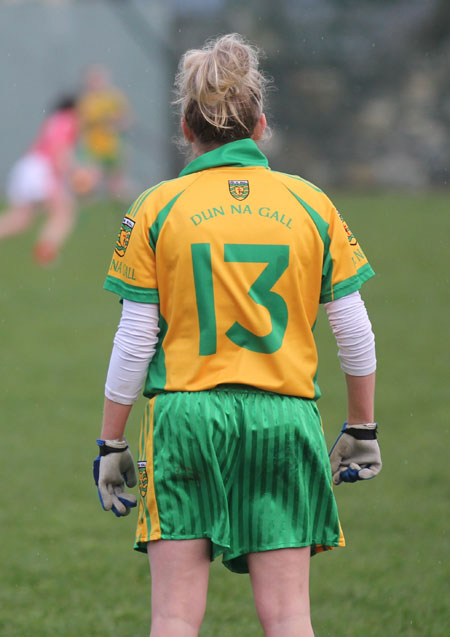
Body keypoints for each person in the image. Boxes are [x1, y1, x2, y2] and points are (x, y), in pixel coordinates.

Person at [93, 34, 382, 637]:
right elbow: (353, 327)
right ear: (261, 123)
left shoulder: (155, 207)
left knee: (174, 616)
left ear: (184, 126)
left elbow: (134, 338)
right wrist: (361, 427)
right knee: (288, 617)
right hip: (284, 420)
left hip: (187, 421)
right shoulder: (311, 204)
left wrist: (111, 443)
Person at [0, 95, 79, 265]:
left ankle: (45, 250)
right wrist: (67, 177)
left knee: (21, 219)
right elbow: (58, 151)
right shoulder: (68, 120)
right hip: (42, 169)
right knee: (64, 211)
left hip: (29, 165)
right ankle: (45, 251)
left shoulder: (55, 119)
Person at [77, 64, 132, 199]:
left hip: (113, 146)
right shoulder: (85, 100)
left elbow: (127, 120)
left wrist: (115, 123)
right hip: (93, 147)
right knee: (90, 180)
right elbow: (80, 123)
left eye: (98, 78)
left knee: (116, 182)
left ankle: (121, 205)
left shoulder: (114, 98)